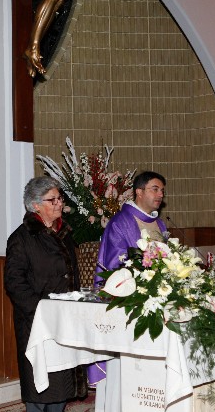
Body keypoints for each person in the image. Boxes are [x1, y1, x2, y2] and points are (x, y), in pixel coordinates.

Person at [5, 176, 87, 411]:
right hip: (37, 322)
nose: (59, 203)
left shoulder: (64, 234)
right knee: (40, 386)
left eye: (60, 198)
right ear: (35, 205)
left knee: (61, 384)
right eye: (53, 200)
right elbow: (14, 283)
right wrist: (42, 310)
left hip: (64, 318)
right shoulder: (21, 238)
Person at [88, 171, 168, 404]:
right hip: (128, 304)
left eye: (162, 191)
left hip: (155, 302)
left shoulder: (159, 223)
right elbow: (114, 267)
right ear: (139, 192)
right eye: (155, 189)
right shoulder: (120, 222)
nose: (160, 195)